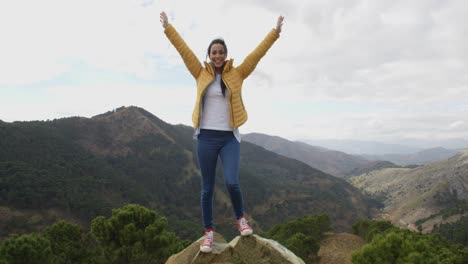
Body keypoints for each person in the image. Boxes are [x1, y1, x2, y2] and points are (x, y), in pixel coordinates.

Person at [160, 11, 284, 253]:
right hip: (205, 137)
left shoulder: (237, 74)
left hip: (229, 138)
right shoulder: (200, 72)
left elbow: (256, 55)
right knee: (207, 188)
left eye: (221, 52)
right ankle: (208, 233)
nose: (217, 55)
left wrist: (275, 32)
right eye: (214, 52)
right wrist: (168, 28)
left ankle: (240, 219)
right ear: (209, 55)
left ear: (226, 55)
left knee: (231, 182)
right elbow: (183, 50)